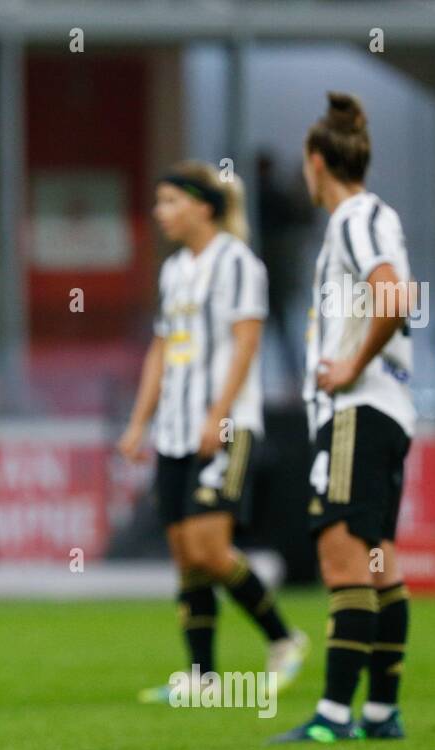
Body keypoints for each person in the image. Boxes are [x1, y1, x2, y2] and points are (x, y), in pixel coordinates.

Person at [119, 160, 308, 704]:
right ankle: (202, 676)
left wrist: (217, 414)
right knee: (185, 552)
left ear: (203, 207)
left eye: (170, 202)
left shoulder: (238, 263)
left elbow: (247, 343)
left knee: (209, 548)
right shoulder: (175, 270)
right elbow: (161, 349)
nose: (160, 213)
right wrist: (139, 422)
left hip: (223, 425)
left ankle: (284, 637)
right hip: (174, 430)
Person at [273, 92, 415, 743]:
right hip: (387, 412)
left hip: (358, 411)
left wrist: (351, 364)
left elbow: (394, 297)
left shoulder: (355, 217)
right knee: (379, 561)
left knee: (343, 561)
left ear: (316, 161)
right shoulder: (372, 217)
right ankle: (380, 712)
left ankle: (333, 715)